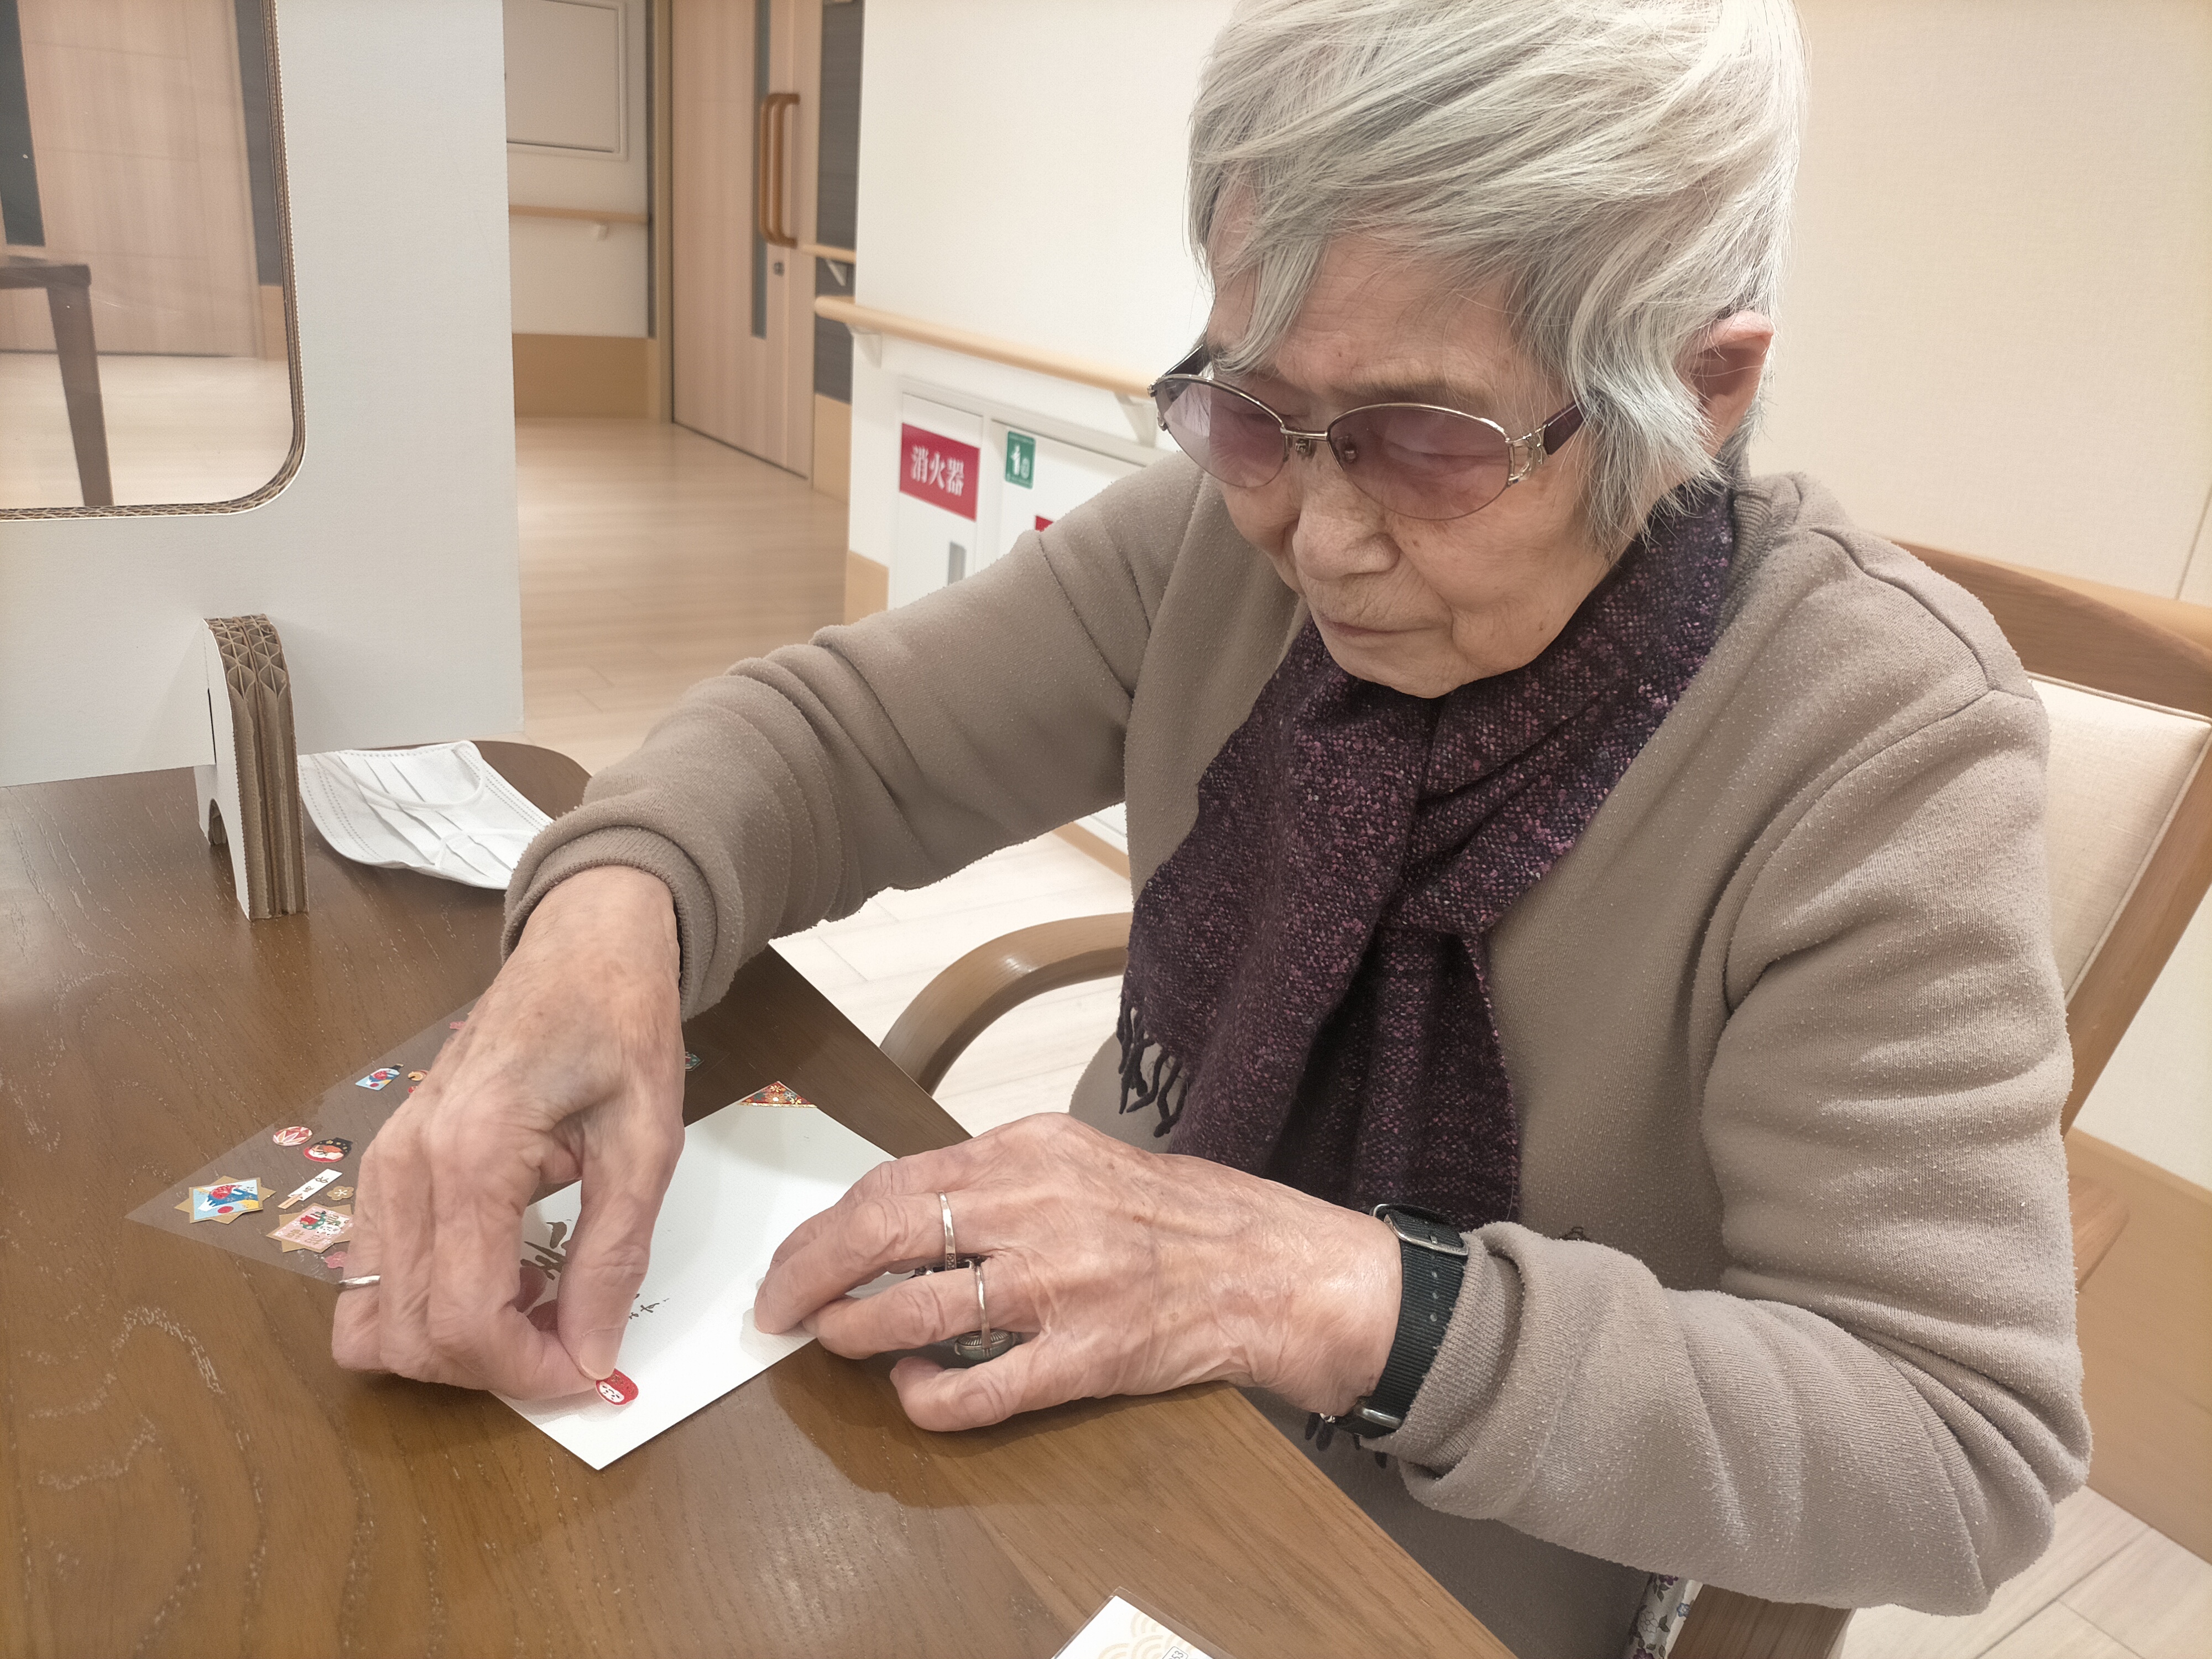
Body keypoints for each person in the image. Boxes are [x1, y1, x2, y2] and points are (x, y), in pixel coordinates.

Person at [333, 1, 2090, 1650]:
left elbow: (1955, 1440)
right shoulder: (1210, 537)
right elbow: (835, 743)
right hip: (1067, 1414)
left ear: (1697, 393)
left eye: (1429, 440)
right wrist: (603, 923)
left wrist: (1308, 1285)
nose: (1316, 539)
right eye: (1253, 408)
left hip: (1445, 1571)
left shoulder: (1876, 738)